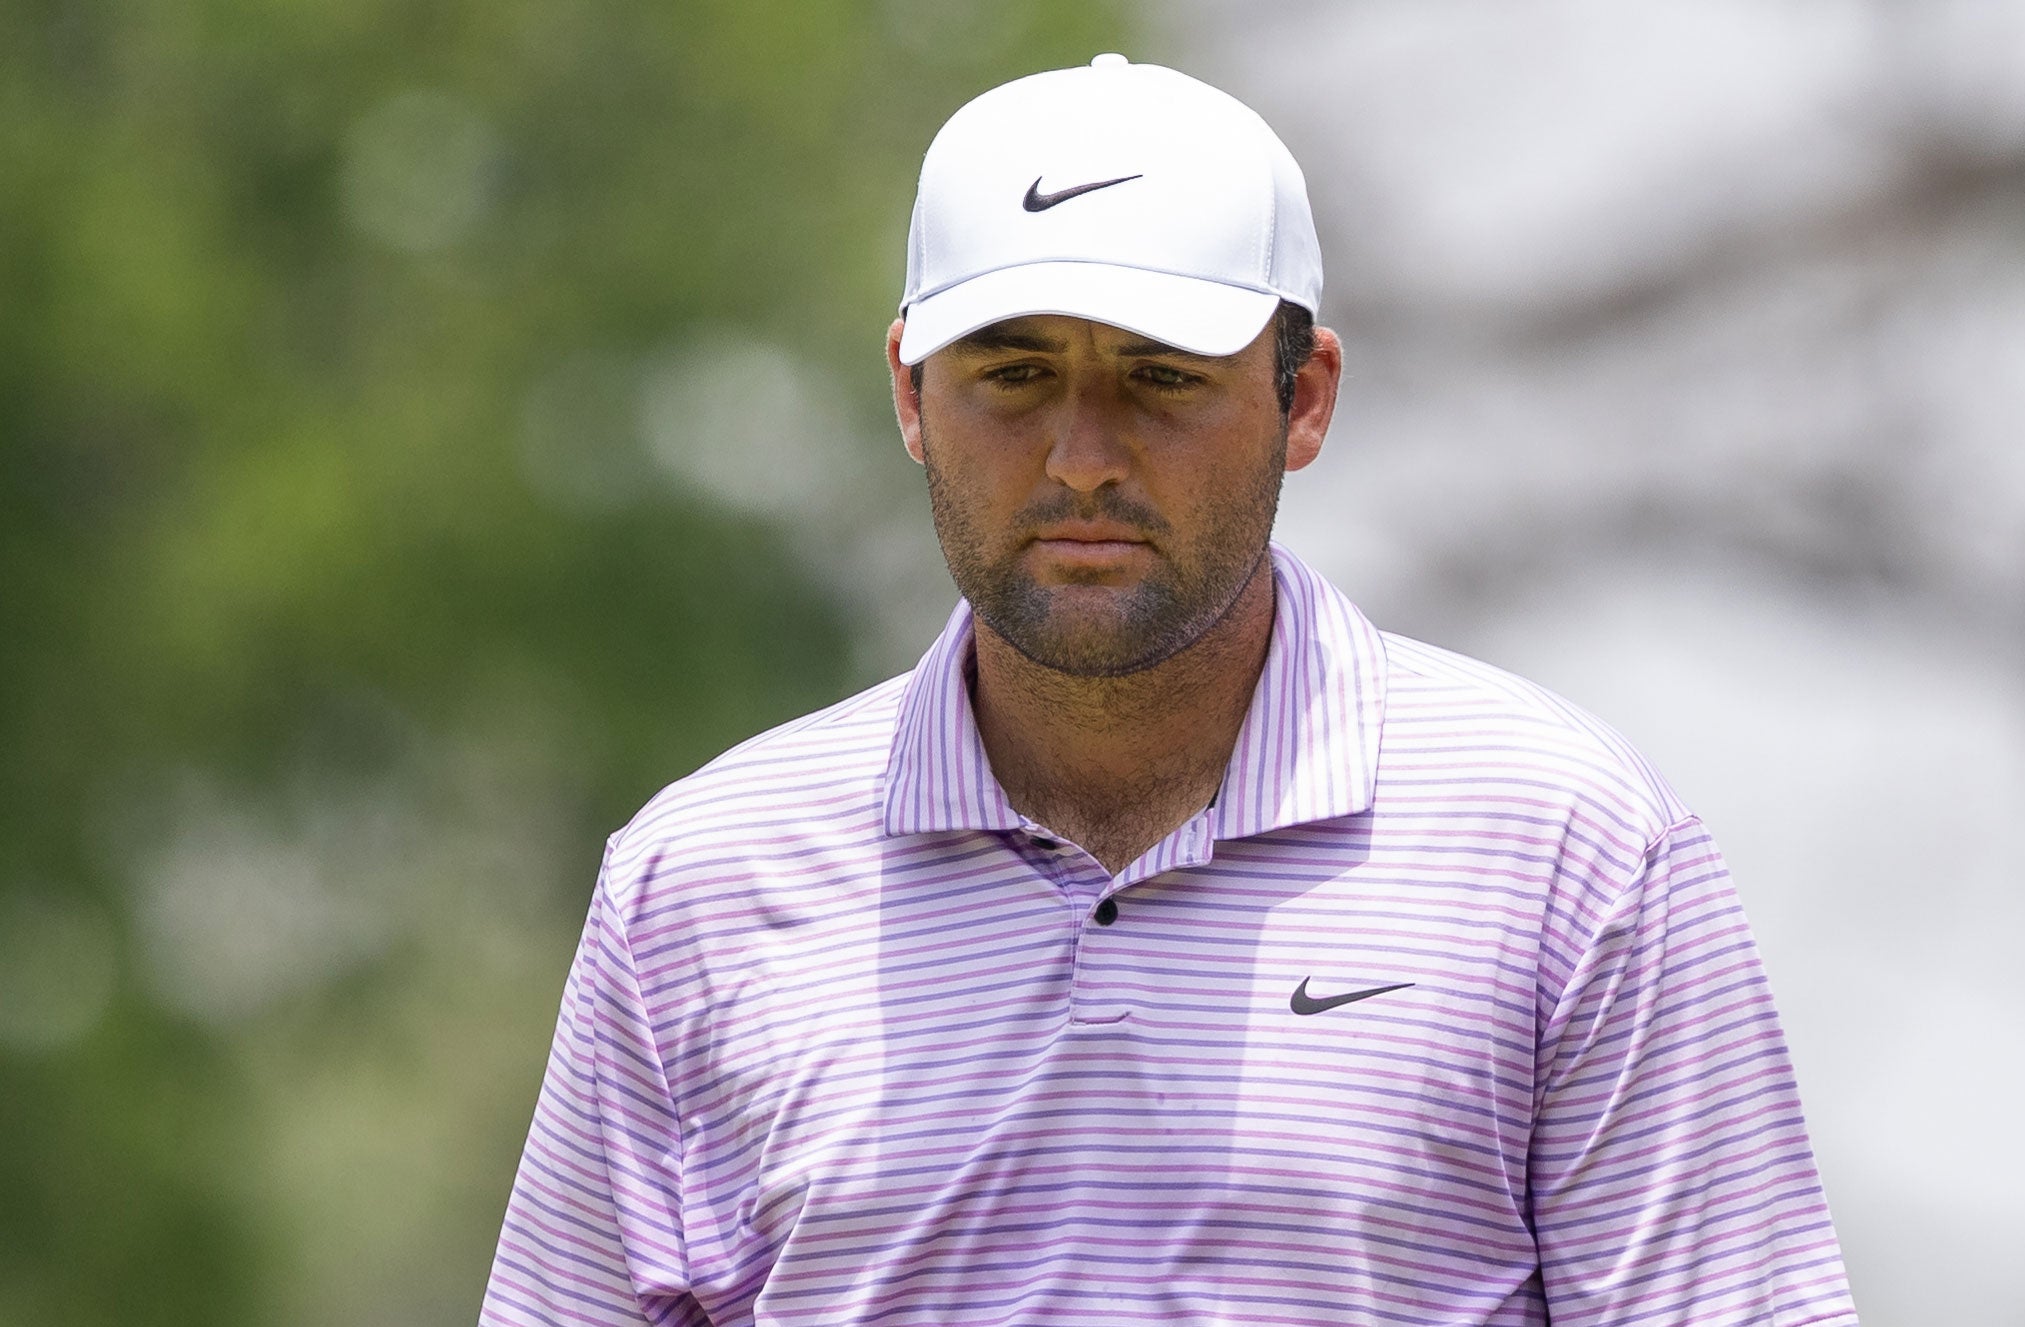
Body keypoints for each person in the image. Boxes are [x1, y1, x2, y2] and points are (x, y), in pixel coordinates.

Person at [483, 54, 1857, 1327]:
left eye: (1162, 378)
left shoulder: (1570, 850)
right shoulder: (698, 885)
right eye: (1013, 375)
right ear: (909, 396)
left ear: (1303, 396)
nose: (1083, 455)